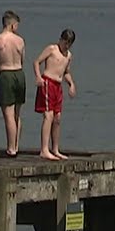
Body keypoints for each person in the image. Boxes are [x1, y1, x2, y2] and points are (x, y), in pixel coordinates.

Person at [33, 29, 77, 160]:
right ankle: (44, 149)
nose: (66, 46)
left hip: (58, 86)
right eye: (65, 42)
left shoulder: (68, 56)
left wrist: (71, 84)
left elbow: (66, 72)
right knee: (49, 115)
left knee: (57, 118)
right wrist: (38, 77)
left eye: (69, 44)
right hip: (48, 82)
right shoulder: (52, 49)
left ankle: (55, 149)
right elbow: (36, 62)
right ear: (61, 40)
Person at [0, 11, 27, 157]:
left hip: (5, 73)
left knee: (8, 114)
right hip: (19, 73)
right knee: (17, 114)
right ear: (12, 25)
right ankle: (15, 146)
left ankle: (11, 148)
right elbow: (22, 59)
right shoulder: (20, 41)